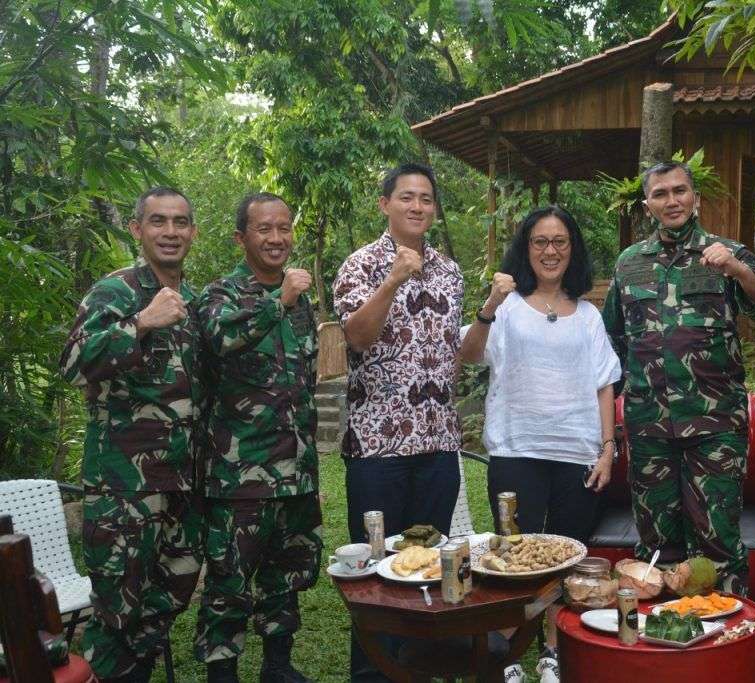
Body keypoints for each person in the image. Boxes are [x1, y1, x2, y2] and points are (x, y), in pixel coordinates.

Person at [602, 161, 755, 594]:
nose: (672, 200)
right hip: (649, 424)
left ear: (696, 198)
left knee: (718, 539)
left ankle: (725, 640)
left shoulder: (728, 253)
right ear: (648, 204)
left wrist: (740, 272)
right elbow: (611, 339)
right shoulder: (630, 263)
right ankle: (663, 632)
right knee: (655, 541)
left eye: (680, 191)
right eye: (661, 193)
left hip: (714, 426)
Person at [461, 205, 621, 683]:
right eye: (540, 242)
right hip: (516, 450)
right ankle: (510, 653)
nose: (550, 251)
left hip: (577, 455)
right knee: (512, 557)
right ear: (525, 249)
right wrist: (488, 305)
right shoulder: (506, 307)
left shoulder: (589, 315)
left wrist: (608, 448)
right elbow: (469, 356)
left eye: (560, 242)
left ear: (572, 251)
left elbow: (605, 383)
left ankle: (551, 650)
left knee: (566, 557)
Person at [60, 187, 204, 683]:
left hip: (181, 486)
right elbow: (74, 366)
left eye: (180, 222)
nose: (171, 232)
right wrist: (141, 323)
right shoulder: (115, 292)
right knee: (117, 613)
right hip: (125, 491)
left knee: (168, 598)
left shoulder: (192, 302)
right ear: (137, 229)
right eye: (159, 222)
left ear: (193, 232)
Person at [332, 162, 464, 681]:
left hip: (436, 442)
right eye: (406, 197)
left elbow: (450, 352)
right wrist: (392, 280)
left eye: (426, 199)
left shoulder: (450, 272)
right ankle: (371, 672)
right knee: (374, 567)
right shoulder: (359, 266)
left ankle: (423, 666)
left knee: (428, 560)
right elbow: (358, 338)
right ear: (385, 203)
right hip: (377, 447)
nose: (417, 207)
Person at [194, 193, 322, 683]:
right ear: (241, 237)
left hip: (296, 470)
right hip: (239, 474)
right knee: (228, 582)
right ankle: (222, 675)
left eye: (284, 228)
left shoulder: (300, 301)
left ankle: (277, 666)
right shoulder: (220, 294)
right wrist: (279, 301)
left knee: (285, 575)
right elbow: (220, 342)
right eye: (264, 229)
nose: (276, 239)